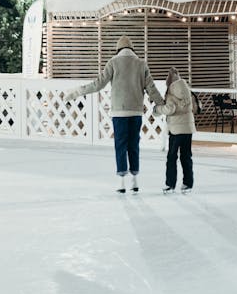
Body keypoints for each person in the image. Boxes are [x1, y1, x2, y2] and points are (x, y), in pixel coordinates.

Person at [65, 35, 164, 194]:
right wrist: (161, 104)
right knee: (133, 145)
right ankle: (135, 179)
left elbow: (98, 84)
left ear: (118, 49)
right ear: (132, 49)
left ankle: (121, 181)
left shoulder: (113, 63)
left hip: (119, 112)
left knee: (120, 145)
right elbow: (151, 88)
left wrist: (77, 92)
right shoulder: (141, 64)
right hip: (136, 111)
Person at [153, 66, 195, 194]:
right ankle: (188, 183)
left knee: (172, 157)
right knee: (186, 156)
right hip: (188, 129)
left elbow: (169, 109)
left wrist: (157, 110)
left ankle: (170, 184)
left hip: (176, 130)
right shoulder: (186, 90)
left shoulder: (172, 92)